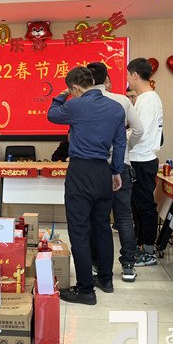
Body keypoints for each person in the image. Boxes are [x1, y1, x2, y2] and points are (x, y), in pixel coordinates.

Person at [47, 66, 126, 305]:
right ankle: (105, 280)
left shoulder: (76, 105)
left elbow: (52, 114)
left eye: (71, 91)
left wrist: (61, 95)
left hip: (81, 171)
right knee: (102, 228)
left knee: (79, 231)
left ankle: (85, 291)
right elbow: (120, 144)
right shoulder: (116, 108)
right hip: (103, 171)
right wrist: (116, 172)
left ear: (75, 88)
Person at [88, 62, 144, 282]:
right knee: (123, 217)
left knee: (96, 217)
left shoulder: (83, 102)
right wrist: (127, 146)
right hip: (122, 164)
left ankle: (96, 263)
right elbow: (139, 130)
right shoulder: (122, 100)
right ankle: (128, 265)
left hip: (95, 167)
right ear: (106, 79)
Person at [127, 58, 163, 267]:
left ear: (134, 75)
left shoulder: (146, 99)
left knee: (145, 206)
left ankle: (148, 251)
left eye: (128, 76)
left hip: (142, 159)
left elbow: (138, 132)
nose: (128, 80)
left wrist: (124, 143)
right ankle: (142, 246)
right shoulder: (150, 97)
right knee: (139, 206)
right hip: (143, 158)